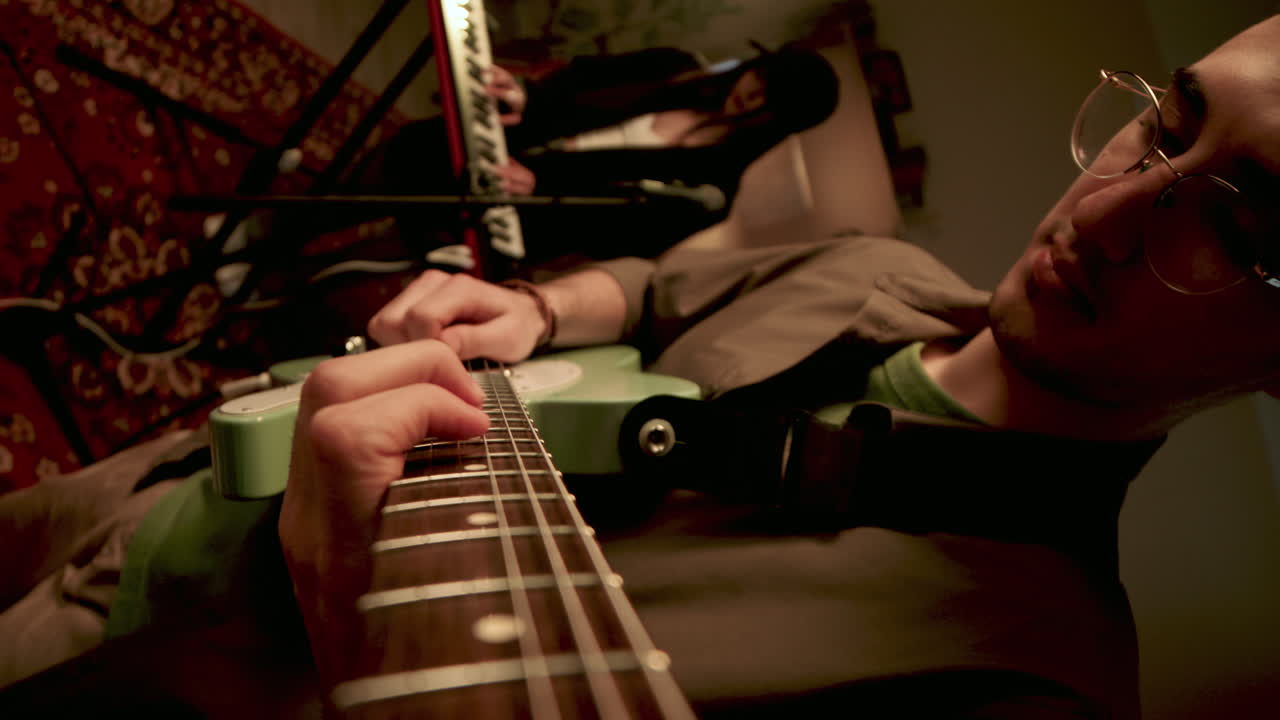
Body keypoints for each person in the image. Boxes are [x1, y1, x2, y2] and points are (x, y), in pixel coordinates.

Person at [3, 14, 1279, 718]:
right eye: (1162, 121)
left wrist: (357, 643)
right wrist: (545, 315)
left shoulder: (1025, 689)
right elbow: (659, 286)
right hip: (163, 477)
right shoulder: (862, 264)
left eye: (1241, 222)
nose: (1107, 210)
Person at [336, 44, 841, 266]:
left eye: (765, 104)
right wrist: (528, 94)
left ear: (776, 122)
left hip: (521, 217)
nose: (748, 96)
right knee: (391, 167)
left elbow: (614, 236)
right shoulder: (675, 66)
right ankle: (285, 229)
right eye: (759, 80)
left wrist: (542, 188)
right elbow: (582, 77)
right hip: (501, 136)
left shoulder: (710, 194)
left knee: (390, 250)